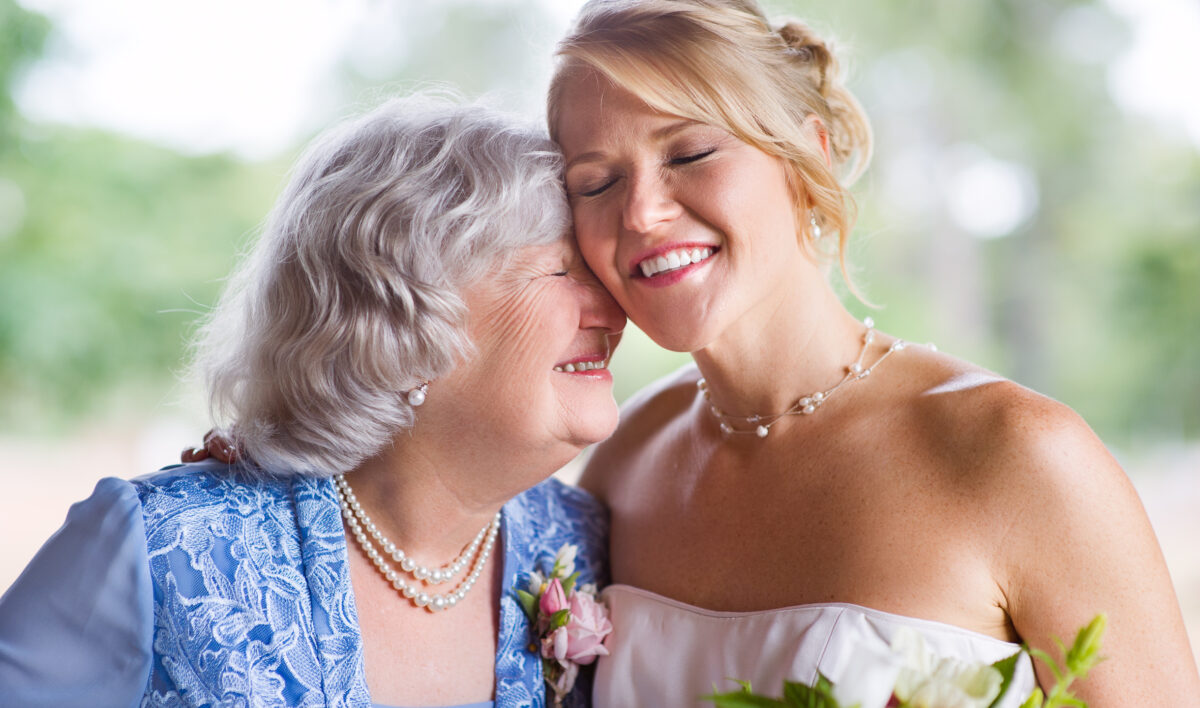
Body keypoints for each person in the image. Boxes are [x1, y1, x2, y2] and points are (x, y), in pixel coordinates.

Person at [545, 0, 1200, 705]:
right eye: (597, 182)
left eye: (691, 152)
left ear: (808, 156)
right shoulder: (623, 458)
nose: (641, 211)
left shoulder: (1018, 455)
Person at [0, 95, 625, 707]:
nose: (614, 307)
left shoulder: (583, 538)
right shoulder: (161, 546)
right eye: (566, 271)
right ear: (403, 316)